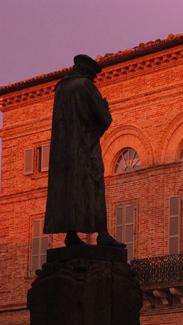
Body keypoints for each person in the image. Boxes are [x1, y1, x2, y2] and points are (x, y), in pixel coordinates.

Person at [44, 54, 124, 247]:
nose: (94, 80)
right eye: (93, 76)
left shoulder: (61, 88)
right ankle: (102, 234)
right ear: (88, 72)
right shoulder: (85, 86)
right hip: (84, 149)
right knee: (94, 188)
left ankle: (71, 235)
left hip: (63, 156)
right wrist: (105, 108)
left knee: (69, 192)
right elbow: (103, 119)